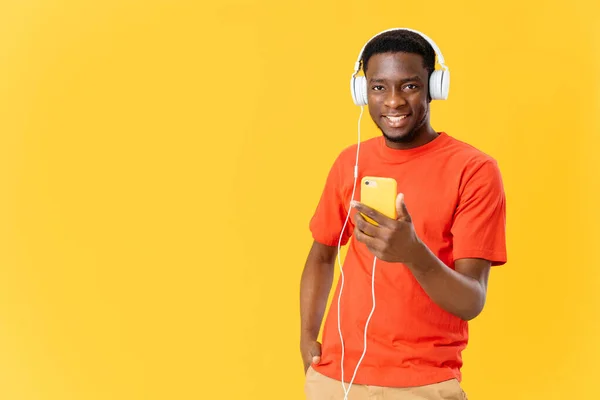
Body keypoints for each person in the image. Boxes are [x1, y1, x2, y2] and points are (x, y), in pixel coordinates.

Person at [299, 28, 507, 400]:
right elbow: (322, 253)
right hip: (337, 379)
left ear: (434, 87)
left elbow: (471, 300)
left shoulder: (473, 170)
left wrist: (412, 253)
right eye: (379, 87)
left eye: (409, 86)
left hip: (424, 384)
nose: (393, 101)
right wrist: (306, 338)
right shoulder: (351, 161)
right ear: (363, 92)